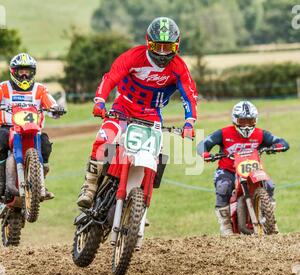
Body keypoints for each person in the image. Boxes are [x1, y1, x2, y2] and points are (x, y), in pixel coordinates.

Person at [77, 16, 198, 208]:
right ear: (148, 43)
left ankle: (139, 205)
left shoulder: (179, 68)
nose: (162, 52)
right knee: (104, 139)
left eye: (168, 47)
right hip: (122, 107)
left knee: (155, 155)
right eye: (158, 46)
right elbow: (111, 77)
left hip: (151, 114)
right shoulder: (133, 57)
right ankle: (90, 185)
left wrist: (189, 122)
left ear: (177, 46)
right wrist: (100, 101)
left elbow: (189, 96)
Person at [197, 100, 289, 236]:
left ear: (255, 120)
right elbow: (203, 143)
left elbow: (282, 142)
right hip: (228, 170)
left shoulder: (260, 134)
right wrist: (205, 154)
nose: (246, 125)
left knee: (269, 184)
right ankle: (225, 225)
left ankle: (271, 221)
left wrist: (277, 147)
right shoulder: (224, 133)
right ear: (235, 120)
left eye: (250, 121)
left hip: (254, 170)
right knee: (223, 186)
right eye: (242, 121)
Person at [0, 53, 65, 199]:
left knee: (46, 144)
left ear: (33, 72)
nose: (24, 75)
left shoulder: (40, 89)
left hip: (32, 130)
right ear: (13, 72)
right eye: (20, 71)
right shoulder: (3, 87)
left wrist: (56, 107)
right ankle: (1, 183)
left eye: (27, 71)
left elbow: (50, 102)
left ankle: (39, 184)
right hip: (8, 128)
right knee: (1, 139)